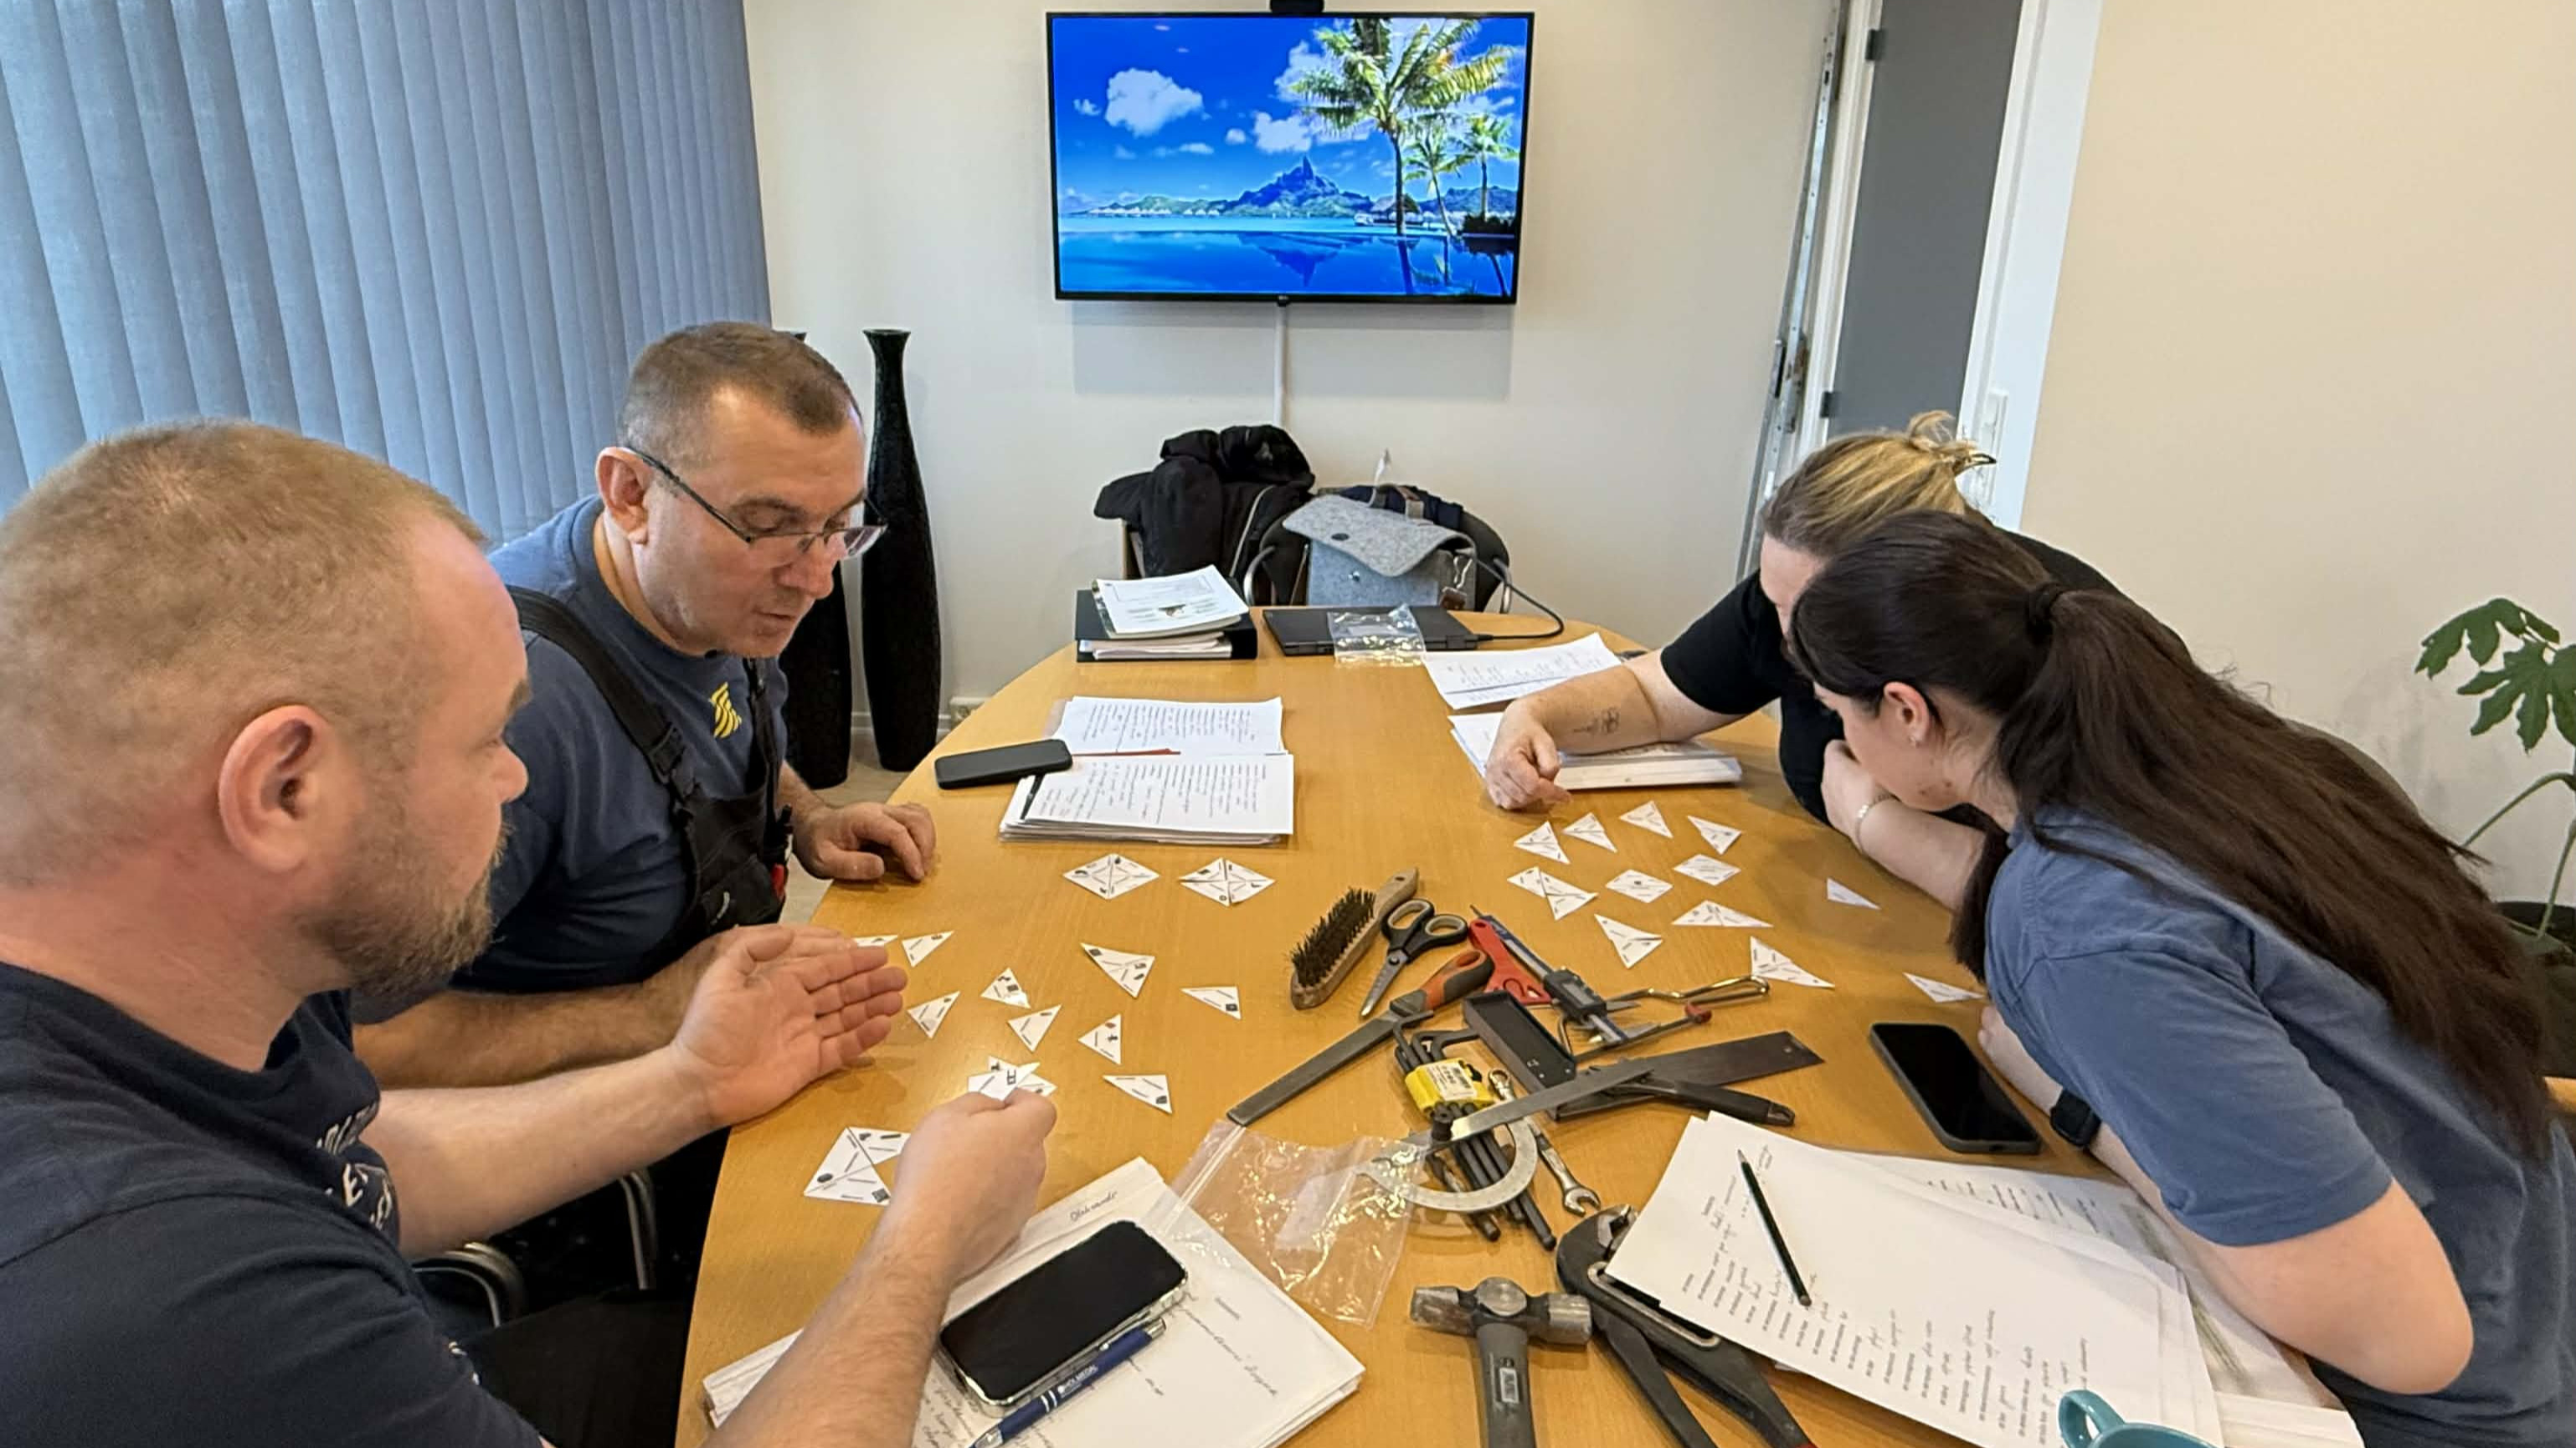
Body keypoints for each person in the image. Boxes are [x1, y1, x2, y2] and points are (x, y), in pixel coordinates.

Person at [0, 423, 1055, 1447]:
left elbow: (351, 1153)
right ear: (284, 787)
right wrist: (922, 1245)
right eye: (484, 742)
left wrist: (691, 1079)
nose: (515, 778)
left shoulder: (211, 970)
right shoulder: (176, 1303)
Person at [1784, 510, 2573, 1447]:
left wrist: (2079, 1109)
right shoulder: (2244, 762)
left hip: (2443, 1408)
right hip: (2537, 1295)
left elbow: (2410, 1341)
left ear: (1909, 712)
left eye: (1842, 717)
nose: (1841, 739)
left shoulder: (2080, 918)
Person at [356, 323, 938, 1091]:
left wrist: (807, 814)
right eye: (770, 530)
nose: (817, 581)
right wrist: (649, 1012)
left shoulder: (707, 590)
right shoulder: (509, 706)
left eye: (837, 529)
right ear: (631, 496)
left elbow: (712, 726)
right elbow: (362, 1042)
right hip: (596, 1121)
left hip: (729, 1040)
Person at [1480, 413, 2113, 908]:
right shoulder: (1792, 586)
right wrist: (1535, 715)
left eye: (1803, 618)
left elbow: (2080, 904)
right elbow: (1656, 695)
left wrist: (1874, 822)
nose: (1784, 639)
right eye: (1774, 602)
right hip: (1846, 902)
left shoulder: (2054, 654)